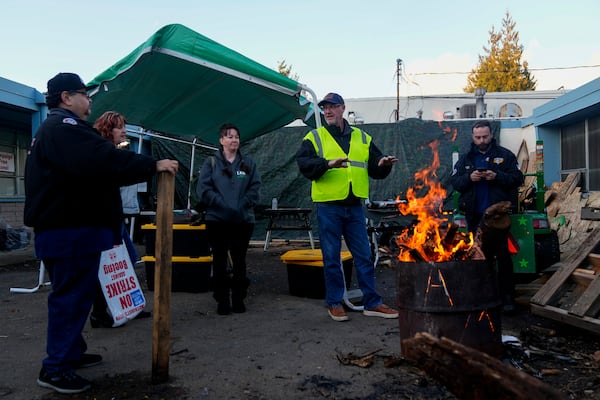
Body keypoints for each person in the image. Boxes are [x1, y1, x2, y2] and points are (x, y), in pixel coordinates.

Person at [24, 72, 179, 394]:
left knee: (74, 296)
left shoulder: (55, 130)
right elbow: (103, 160)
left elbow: (93, 170)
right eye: (84, 93)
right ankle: (55, 368)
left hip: (68, 229)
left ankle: (70, 353)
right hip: (70, 230)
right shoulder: (65, 129)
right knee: (70, 298)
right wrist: (153, 165)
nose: (89, 99)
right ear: (66, 97)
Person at [296, 92, 399, 322]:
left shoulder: (363, 137)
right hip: (328, 206)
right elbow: (304, 165)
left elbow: (375, 166)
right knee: (331, 257)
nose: (328, 111)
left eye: (332, 107)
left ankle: (372, 302)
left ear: (343, 109)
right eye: (325, 108)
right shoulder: (314, 137)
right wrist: (327, 163)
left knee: (364, 255)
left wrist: (383, 164)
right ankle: (334, 303)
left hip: (354, 207)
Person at [450, 120, 524, 314]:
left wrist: (497, 176)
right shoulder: (466, 159)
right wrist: (469, 178)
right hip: (474, 215)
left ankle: (507, 298)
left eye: (485, 136)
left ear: (491, 135)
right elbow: (455, 182)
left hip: (498, 217)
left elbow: (518, 179)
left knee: (503, 256)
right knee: (478, 257)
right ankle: (481, 296)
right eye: (478, 137)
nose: (482, 140)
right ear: (473, 137)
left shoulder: (505, 156)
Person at [89, 111, 151, 328]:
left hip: (114, 217)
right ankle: (99, 312)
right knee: (106, 266)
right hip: (103, 220)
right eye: (119, 127)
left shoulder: (109, 152)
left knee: (126, 261)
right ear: (108, 129)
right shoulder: (100, 153)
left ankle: (126, 306)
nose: (124, 130)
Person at [197, 123, 261, 315]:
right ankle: (222, 299)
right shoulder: (211, 163)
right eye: (230, 136)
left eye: (236, 137)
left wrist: (241, 205)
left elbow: (255, 188)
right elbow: (204, 189)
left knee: (239, 260)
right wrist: (221, 204)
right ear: (221, 140)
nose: (234, 140)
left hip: (242, 221)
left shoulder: (248, 163)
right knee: (219, 259)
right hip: (217, 220)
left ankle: (239, 298)